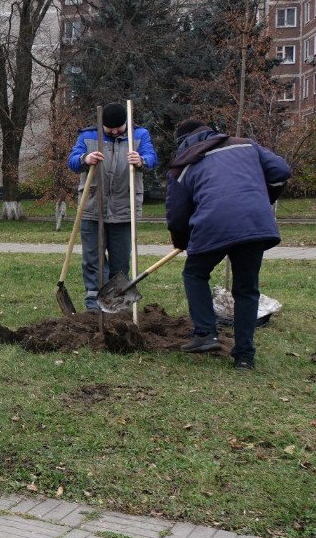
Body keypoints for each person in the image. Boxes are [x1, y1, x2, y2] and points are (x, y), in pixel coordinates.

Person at [166, 118, 291, 370]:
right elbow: (281, 171)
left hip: (213, 224)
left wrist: (183, 243)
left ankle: (205, 333)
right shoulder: (245, 145)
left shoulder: (183, 166)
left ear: (183, 143)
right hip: (254, 223)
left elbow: (177, 217)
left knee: (195, 273)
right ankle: (244, 357)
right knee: (246, 289)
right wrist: (260, 198)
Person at [68, 102, 158, 310]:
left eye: (120, 127)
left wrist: (141, 160)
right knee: (93, 259)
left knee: (120, 262)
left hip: (124, 208)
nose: (116, 131)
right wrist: (85, 158)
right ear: (103, 126)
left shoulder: (139, 135)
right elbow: (72, 161)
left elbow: (152, 158)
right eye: (111, 129)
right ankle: (93, 304)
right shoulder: (88, 136)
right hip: (92, 207)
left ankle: (117, 304)